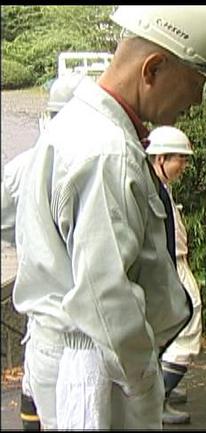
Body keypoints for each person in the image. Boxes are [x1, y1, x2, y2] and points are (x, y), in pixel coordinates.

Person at [12, 5, 206, 430]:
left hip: (82, 353)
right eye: (196, 84)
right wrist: (142, 377)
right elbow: (105, 295)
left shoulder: (76, 127)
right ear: (153, 68)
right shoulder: (105, 151)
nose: (195, 101)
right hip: (98, 368)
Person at [1, 72, 88, 431]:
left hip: (43, 319)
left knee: (38, 388)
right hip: (83, 328)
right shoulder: (94, 161)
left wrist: (32, 241)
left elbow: (4, 219)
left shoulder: (22, 166)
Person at [146, 126, 202, 425]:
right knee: (188, 328)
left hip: (174, 263)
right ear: (160, 159)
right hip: (171, 266)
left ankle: (162, 388)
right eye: (179, 158)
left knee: (170, 330)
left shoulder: (159, 186)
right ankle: (159, 398)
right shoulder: (152, 188)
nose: (183, 165)